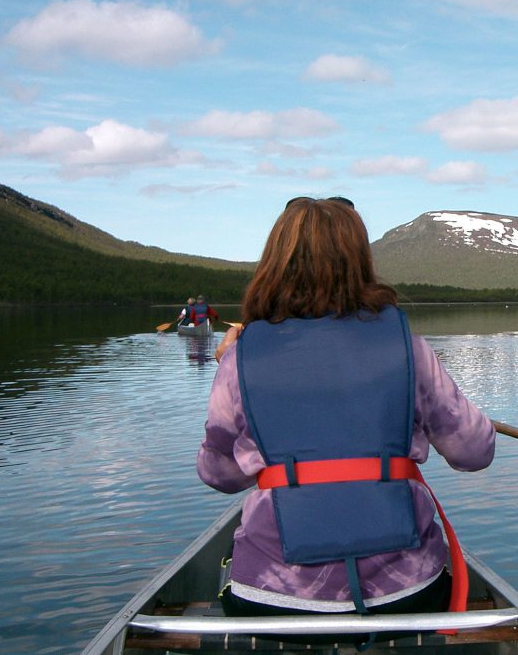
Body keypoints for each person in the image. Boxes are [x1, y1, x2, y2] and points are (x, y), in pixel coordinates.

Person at [198, 196, 495, 629]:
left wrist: (234, 367)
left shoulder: (241, 359)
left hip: (270, 600)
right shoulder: (408, 350)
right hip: (408, 596)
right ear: (360, 261)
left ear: (276, 261)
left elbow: (218, 475)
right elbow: (475, 452)